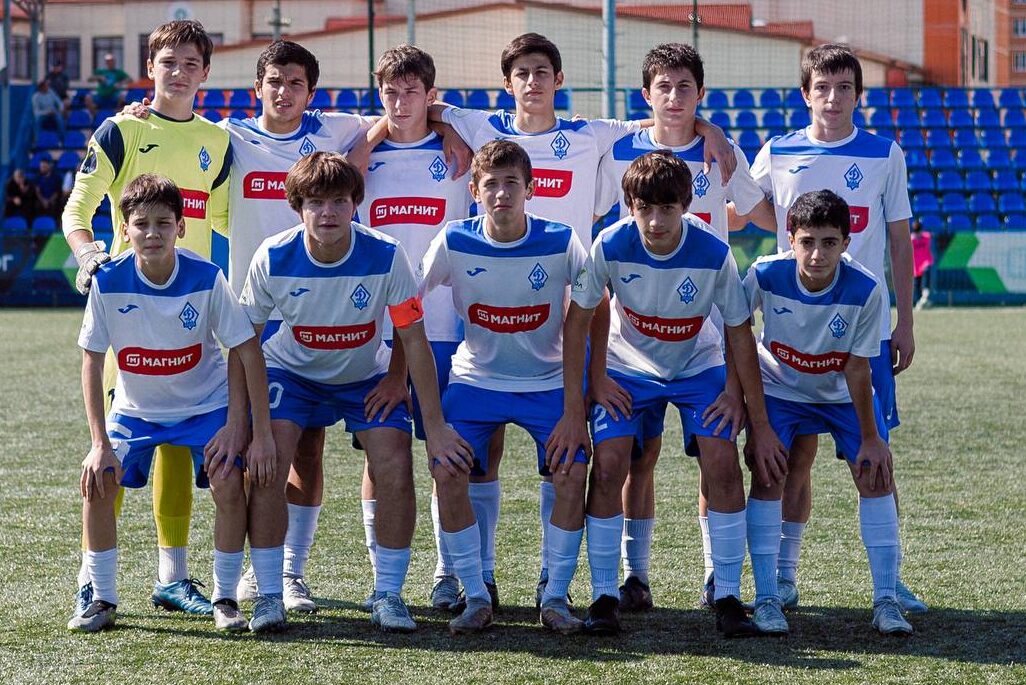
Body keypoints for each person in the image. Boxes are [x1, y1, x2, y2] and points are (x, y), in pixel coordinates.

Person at [429, 32, 738, 606]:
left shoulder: (589, 134)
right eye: (522, 73)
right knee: (474, 458)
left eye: (542, 72)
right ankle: (464, 577)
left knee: (593, 459)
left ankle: (569, 584)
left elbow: (663, 119)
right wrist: (442, 129)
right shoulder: (481, 126)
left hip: (574, 323)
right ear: (507, 83)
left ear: (559, 80)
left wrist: (710, 129)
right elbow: (420, 104)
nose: (532, 82)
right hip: (485, 328)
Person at [238, 151, 469, 633]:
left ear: (355, 204)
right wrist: (247, 429)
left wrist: (435, 426)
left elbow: (414, 338)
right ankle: (270, 592)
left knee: (395, 462)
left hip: (365, 378)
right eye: (316, 202)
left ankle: (388, 593)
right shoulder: (272, 256)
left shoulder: (385, 254)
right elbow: (244, 346)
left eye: (339, 201)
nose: (328, 213)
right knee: (269, 464)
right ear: (297, 206)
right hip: (292, 374)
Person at [568, 150, 786, 637]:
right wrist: (594, 380)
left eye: (667, 208)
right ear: (629, 206)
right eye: (644, 208)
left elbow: (738, 331)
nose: (655, 220)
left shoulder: (712, 251)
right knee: (610, 464)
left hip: (697, 364)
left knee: (722, 462)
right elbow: (579, 318)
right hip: (628, 367)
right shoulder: (610, 243)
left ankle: (727, 595)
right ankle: (605, 596)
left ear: (686, 206)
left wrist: (737, 396)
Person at [592, 42, 776, 612]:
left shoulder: (721, 151)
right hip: (634, 337)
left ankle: (719, 579)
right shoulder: (618, 149)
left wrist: (814, 243)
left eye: (685, 88)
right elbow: (588, 209)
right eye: (663, 88)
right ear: (645, 95)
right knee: (636, 458)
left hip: (705, 332)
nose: (674, 98)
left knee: (714, 455)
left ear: (701, 95)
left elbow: (760, 212)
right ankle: (633, 576)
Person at [62, 19, 232, 618]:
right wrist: (88, 256)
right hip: (130, 316)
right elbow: (77, 209)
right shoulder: (121, 130)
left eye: (190, 63)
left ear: (205, 72)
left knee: (180, 445)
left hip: (193, 315)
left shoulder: (219, 141)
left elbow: (232, 219)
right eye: (168, 62)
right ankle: (93, 582)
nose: (178, 73)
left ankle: (172, 578)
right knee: (111, 448)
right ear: (150, 67)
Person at [749, 43, 926, 614]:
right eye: (822, 88)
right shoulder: (778, 151)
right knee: (793, 461)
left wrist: (904, 320)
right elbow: (747, 207)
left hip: (861, 331)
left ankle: (892, 578)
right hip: (793, 334)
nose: (832, 98)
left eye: (844, 87)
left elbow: (898, 238)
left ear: (858, 95)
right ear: (806, 95)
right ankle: (783, 576)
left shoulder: (884, 154)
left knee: (875, 457)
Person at [67, 173, 274, 633]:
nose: (153, 233)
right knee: (98, 480)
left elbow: (246, 350)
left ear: (181, 226)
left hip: (205, 407)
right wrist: (98, 443)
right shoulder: (108, 281)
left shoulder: (206, 276)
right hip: (135, 411)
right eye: (141, 224)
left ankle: (225, 598)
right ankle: (101, 597)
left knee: (229, 480)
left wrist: (248, 428)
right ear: (125, 230)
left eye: (163, 223)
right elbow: (91, 361)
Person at [419, 140, 591, 634]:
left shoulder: (562, 240)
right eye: (490, 184)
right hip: (477, 380)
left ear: (530, 189)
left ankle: (554, 595)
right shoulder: (454, 240)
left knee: (571, 471)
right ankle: (476, 594)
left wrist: (576, 407)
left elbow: (590, 308)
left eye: (511, 183)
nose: (501, 193)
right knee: (448, 468)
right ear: (474, 192)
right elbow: (406, 300)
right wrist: (393, 374)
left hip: (547, 381)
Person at [743, 189, 913, 636]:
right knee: (768, 474)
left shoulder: (866, 289)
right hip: (781, 389)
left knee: (875, 475)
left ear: (846, 242)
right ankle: (768, 597)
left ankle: (886, 599)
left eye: (829, 242)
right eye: (807, 242)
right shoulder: (764, 274)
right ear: (791, 239)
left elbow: (857, 368)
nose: (817, 254)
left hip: (839, 394)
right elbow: (735, 332)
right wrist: (755, 421)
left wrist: (872, 438)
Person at [350, 44, 476, 613]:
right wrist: (373, 134)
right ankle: (384, 578)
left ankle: (447, 574)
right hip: (378, 331)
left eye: (411, 92)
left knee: (449, 454)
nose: (400, 103)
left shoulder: (460, 149)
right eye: (390, 93)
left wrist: (445, 122)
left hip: (448, 326)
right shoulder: (359, 153)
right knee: (383, 455)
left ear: (431, 94)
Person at [911, 219, 932, 310]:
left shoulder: (926, 237)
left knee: (926, 279)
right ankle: (920, 302)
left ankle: (925, 296)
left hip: (926, 263)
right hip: (916, 266)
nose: (918, 234)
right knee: (917, 285)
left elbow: (929, 236)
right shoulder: (911, 239)